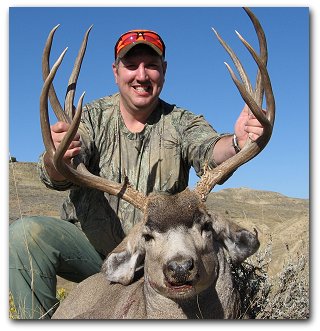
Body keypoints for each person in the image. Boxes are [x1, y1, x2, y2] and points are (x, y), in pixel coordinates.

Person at [9, 29, 264, 319]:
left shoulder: (181, 122)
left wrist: (236, 143)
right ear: (116, 72)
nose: (141, 75)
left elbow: (208, 148)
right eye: (131, 66)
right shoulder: (90, 117)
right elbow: (57, 174)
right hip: (93, 251)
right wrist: (59, 157)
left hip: (156, 255)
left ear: (163, 71)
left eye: (151, 66)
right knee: (24, 235)